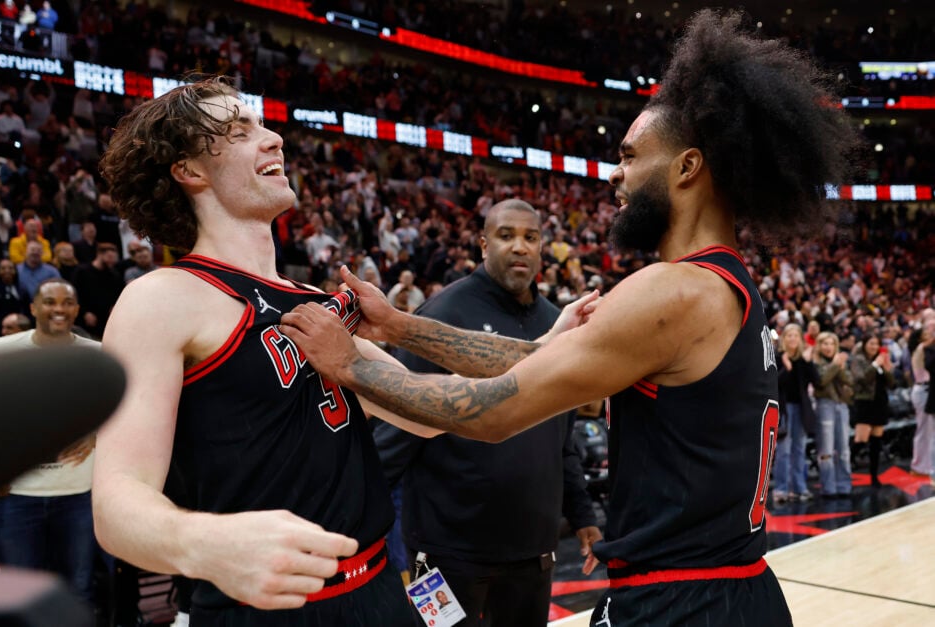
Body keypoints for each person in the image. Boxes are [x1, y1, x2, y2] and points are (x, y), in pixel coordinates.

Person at [280, 10, 860, 625]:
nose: (616, 174)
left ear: (687, 168)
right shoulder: (724, 282)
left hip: (682, 600)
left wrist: (348, 365)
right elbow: (536, 363)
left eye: (630, 156)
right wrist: (400, 328)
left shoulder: (675, 292)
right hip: (729, 588)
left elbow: (498, 411)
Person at [89, 76, 590, 626]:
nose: (273, 137)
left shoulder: (316, 303)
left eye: (261, 122)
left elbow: (428, 410)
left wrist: (546, 347)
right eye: (238, 131)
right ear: (189, 171)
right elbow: (117, 502)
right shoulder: (160, 298)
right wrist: (201, 542)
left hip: (376, 593)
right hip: (266, 606)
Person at [374, 199, 601, 627]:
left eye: (530, 238)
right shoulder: (442, 316)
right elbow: (394, 431)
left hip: (533, 550)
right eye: (506, 235)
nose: (520, 247)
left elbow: (562, 436)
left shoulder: (559, 324)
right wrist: (356, 521)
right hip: (445, 551)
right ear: (482, 245)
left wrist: (583, 514)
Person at [0, 279, 99, 602]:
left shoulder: (100, 355)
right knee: (19, 594)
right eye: (50, 301)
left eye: (67, 303)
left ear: (77, 310)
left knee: (79, 588)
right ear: (33, 308)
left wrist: (97, 434)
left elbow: (132, 408)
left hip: (79, 495)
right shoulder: (1, 353)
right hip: (17, 497)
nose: (59, 309)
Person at [772, 323, 818, 503]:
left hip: (801, 409)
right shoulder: (777, 357)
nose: (792, 339)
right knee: (783, 451)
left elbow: (817, 380)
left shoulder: (803, 359)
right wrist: (786, 368)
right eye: (789, 336)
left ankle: (799, 487)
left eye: (795, 336)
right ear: (784, 339)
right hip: (783, 409)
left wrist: (807, 362)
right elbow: (774, 383)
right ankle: (781, 489)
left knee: (799, 449)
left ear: (800, 339)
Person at [812, 331, 854, 498]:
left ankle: (844, 485)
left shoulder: (841, 362)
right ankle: (828, 487)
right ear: (819, 346)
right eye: (825, 344)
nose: (828, 347)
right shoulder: (816, 363)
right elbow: (821, 381)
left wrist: (840, 368)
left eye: (831, 344)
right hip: (824, 405)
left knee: (844, 449)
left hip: (842, 405)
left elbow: (850, 381)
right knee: (826, 449)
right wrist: (836, 366)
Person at [850, 334, 895, 487]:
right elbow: (862, 379)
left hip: (880, 402)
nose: (874, 347)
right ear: (864, 344)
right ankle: (844, 468)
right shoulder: (858, 360)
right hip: (864, 403)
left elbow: (891, 383)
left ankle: (874, 476)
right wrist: (875, 365)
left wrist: (887, 369)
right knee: (861, 439)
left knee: (876, 441)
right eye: (871, 343)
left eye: (876, 344)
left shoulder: (881, 361)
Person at [908, 322, 934, 482]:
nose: (930, 335)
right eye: (927, 334)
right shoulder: (922, 348)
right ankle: (918, 466)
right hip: (923, 390)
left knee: (929, 431)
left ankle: (926, 465)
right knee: (924, 430)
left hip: (927, 390)